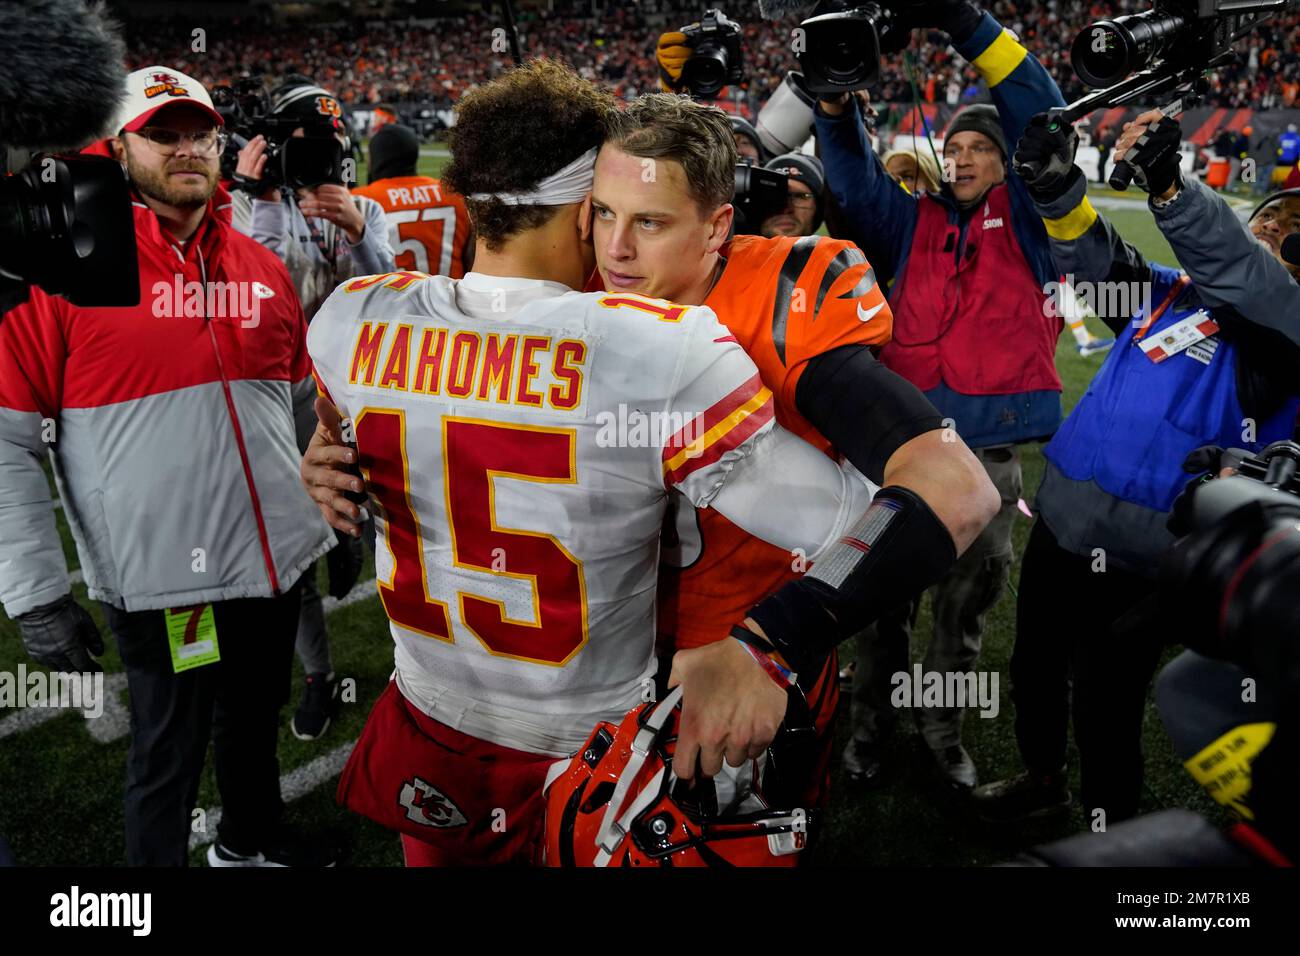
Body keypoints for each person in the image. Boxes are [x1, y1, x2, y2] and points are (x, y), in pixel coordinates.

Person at [590, 92, 998, 811]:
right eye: (601, 214)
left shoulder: (778, 295)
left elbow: (956, 487)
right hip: (597, 646)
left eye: (649, 222)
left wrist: (773, 639)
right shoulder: (573, 285)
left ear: (719, 226)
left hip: (729, 652)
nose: (614, 249)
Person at [0, 66, 336, 867]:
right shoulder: (58, 269)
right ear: (120, 146)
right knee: (167, 754)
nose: (187, 149)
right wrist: (35, 589)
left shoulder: (259, 265)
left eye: (201, 133)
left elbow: (296, 407)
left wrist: (324, 512)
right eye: (163, 133)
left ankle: (249, 839)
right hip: (164, 583)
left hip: (272, 562)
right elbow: (9, 441)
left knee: (254, 719)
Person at [976, 107, 1300, 826]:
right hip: (1064, 523)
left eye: (1290, 236)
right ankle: (1043, 777)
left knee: (1105, 699)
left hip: (1151, 557)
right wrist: (1055, 188)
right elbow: (1095, 259)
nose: (1271, 236)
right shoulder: (1169, 295)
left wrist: (1173, 191)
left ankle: (1110, 827)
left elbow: (1251, 282)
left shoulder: (1290, 334)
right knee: (1032, 667)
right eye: (1267, 223)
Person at [813, 0, 1066, 789]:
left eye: (978, 149)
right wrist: (833, 102)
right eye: (951, 146)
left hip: (988, 459)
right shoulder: (912, 221)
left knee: (960, 619)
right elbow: (852, 181)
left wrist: (964, 24)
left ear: (1009, 159)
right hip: (902, 450)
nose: (958, 159)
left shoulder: (1033, 218)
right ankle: (867, 736)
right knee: (880, 612)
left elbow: (1043, 111)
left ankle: (940, 736)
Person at [232, 77, 392, 741]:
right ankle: (320, 676)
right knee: (295, 559)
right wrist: (263, 200)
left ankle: (414, 667)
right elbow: (270, 304)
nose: (318, 160)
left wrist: (358, 232)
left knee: (398, 538)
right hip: (283, 403)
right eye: (302, 147)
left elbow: (388, 301)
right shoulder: (247, 209)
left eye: (326, 146)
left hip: (362, 400)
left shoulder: (362, 208)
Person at [351, 122, 474, 278]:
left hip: (390, 300)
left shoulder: (361, 202)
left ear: (376, 157)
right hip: (447, 299)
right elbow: (472, 263)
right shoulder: (454, 194)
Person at [758, 152, 825, 237]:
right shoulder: (737, 248)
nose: (786, 209)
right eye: (775, 196)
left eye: (800, 196)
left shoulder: (839, 250)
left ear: (818, 209)